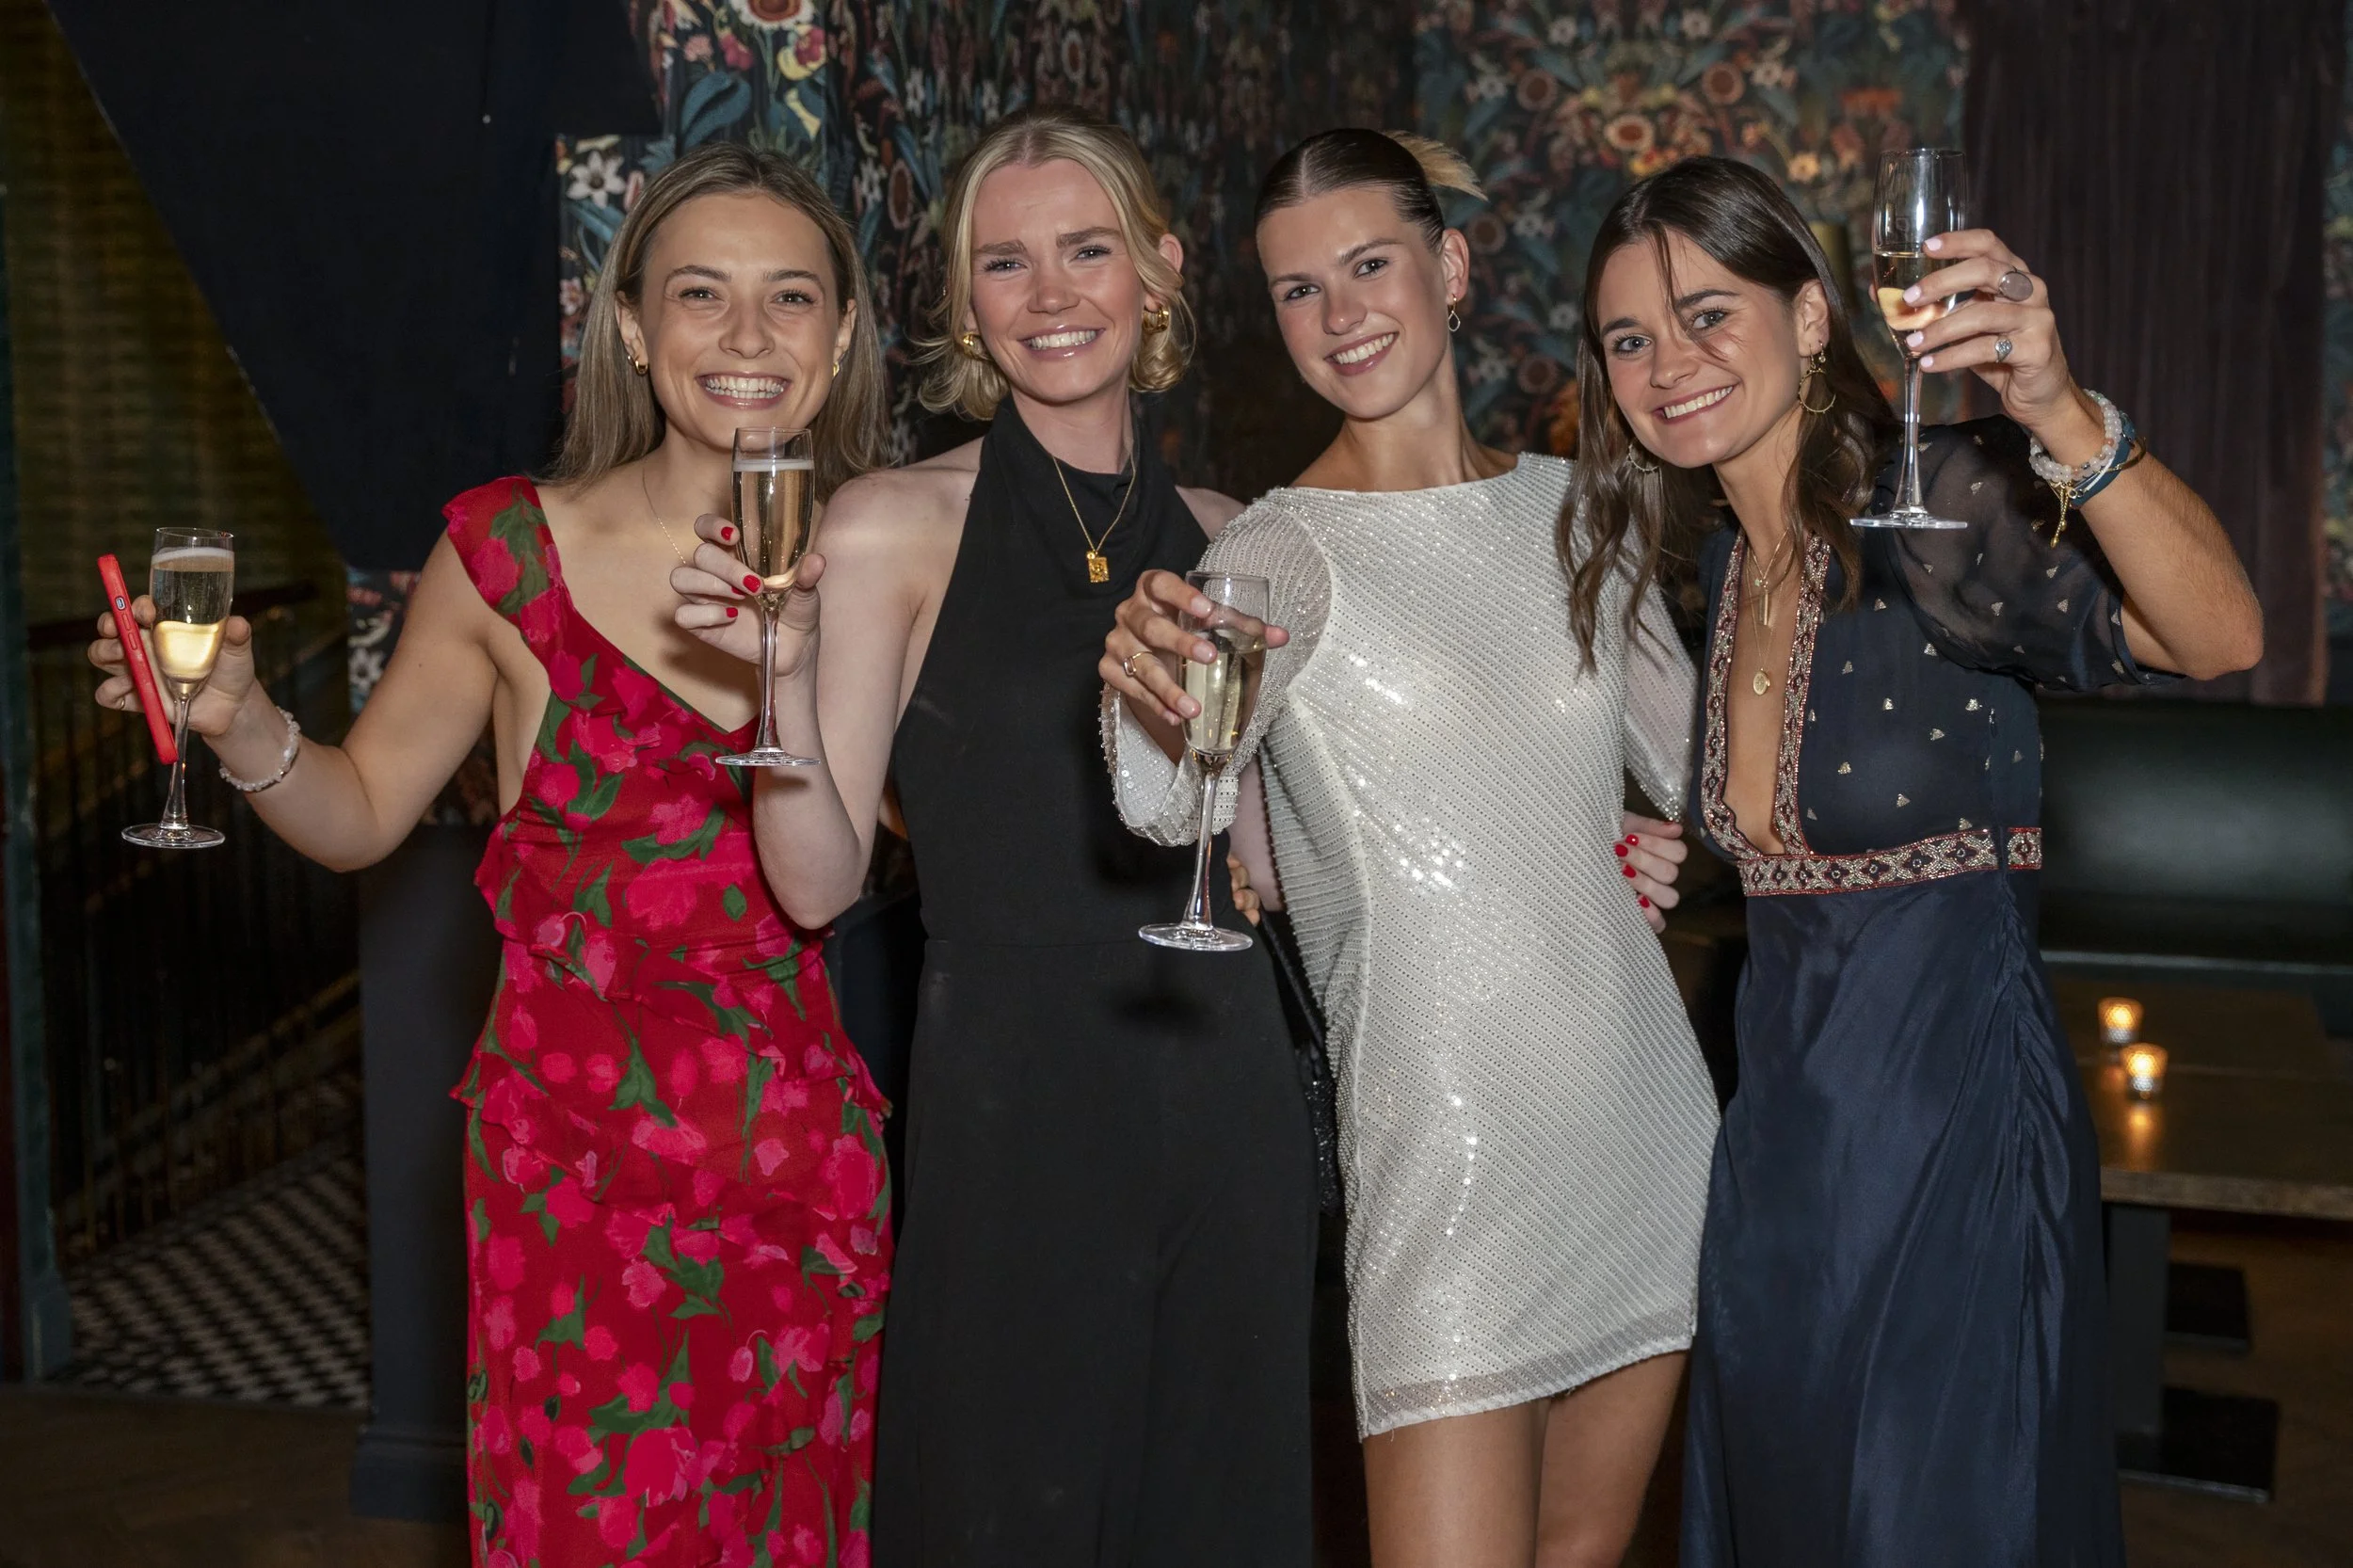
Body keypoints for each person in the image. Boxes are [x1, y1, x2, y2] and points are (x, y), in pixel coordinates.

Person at [90, 144, 895, 1566]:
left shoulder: (885, 558)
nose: (750, 337)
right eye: (701, 295)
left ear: (839, 340)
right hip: (573, 1185)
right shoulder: (510, 551)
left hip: (791, 1175)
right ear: (635, 330)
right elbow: (358, 814)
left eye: (792, 299)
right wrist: (243, 715)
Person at [1574, 156, 2263, 1565]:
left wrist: (2059, 412)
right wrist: (1655, 850)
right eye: (1629, 338)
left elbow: (2222, 635)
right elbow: (1796, 841)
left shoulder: (1939, 509)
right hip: (1778, 1166)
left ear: (1814, 317)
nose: (1669, 365)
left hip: (1949, 1144)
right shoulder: (1718, 565)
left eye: (1710, 313)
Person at [664, 106, 1322, 1566]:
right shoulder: (892, 523)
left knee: (1223, 1513)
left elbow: (1271, 866)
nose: (1051, 295)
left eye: (1088, 250)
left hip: (1226, 1101)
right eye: (1005, 263)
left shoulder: (1233, 533)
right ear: (965, 301)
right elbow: (818, 880)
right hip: (1015, 1108)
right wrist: (776, 671)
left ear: (1155, 271)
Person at [1100, 128, 1716, 1568]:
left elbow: (1707, 767)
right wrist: (1138, 685)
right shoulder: (1275, 550)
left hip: (1638, 1119)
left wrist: (1639, 838)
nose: (1341, 313)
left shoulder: (1577, 509)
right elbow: (1167, 805)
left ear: (1448, 265)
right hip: (1440, 1158)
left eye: (1370, 264)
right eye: (1298, 290)